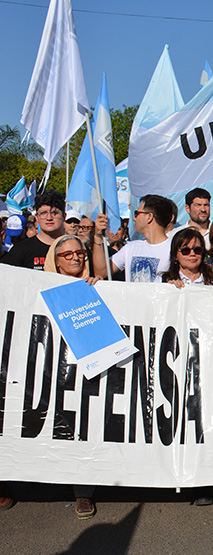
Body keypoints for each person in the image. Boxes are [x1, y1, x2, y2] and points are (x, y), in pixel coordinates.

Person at [43, 234, 100, 519]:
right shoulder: (38, 288)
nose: (76, 258)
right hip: (51, 364)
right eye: (68, 255)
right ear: (55, 259)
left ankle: (83, 493)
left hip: (86, 367)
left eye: (79, 253)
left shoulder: (98, 286)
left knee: (84, 427)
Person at [93, 195, 173, 282]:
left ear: (149, 217)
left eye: (137, 213)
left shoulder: (175, 249)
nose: (134, 219)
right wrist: (97, 236)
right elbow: (101, 272)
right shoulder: (130, 248)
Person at [1, 189, 65, 271]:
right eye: (43, 213)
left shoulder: (77, 249)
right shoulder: (20, 250)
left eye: (54, 213)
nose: (49, 218)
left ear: (64, 216)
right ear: (36, 217)